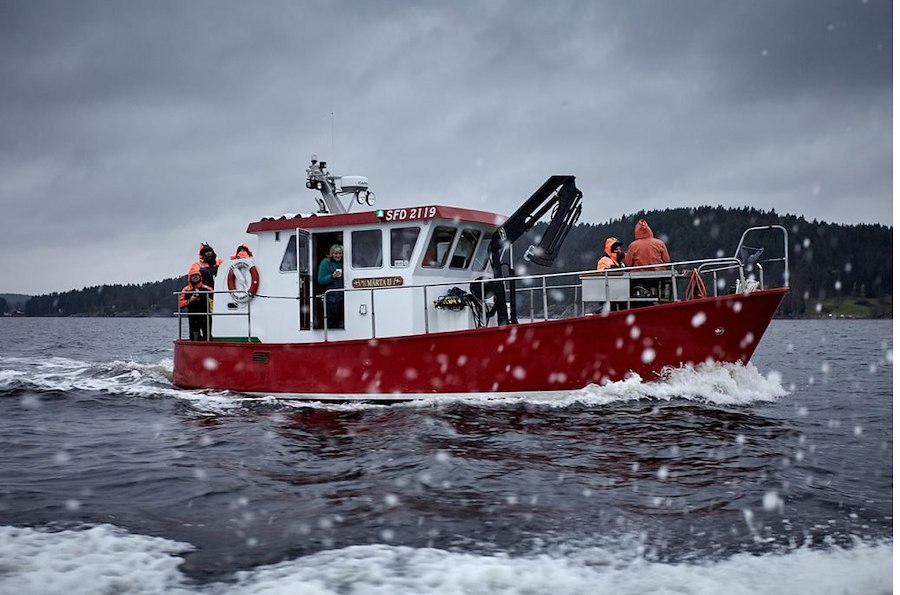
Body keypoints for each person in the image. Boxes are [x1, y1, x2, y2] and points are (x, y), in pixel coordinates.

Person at [179, 272, 213, 341]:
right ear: (189, 278)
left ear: (200, 277)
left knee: (208, 335)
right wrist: (190, 300)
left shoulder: (208, 289)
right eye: (193, 276)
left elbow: (216, 299)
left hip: (206, 316)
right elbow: (181, 304)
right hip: (193, 316)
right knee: (193, 336)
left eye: (197, 276)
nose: (195, 277)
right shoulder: (186, 290)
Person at [317, 244, 344, 329]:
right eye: (336, 253)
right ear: (331, 253)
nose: (338, 255)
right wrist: (332, 276)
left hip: (344, 296)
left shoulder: (345, 262)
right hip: (331, 297)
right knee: (332, 320)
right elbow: (320, 280)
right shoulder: (325, 263)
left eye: (340, 253)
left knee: (343, 318)